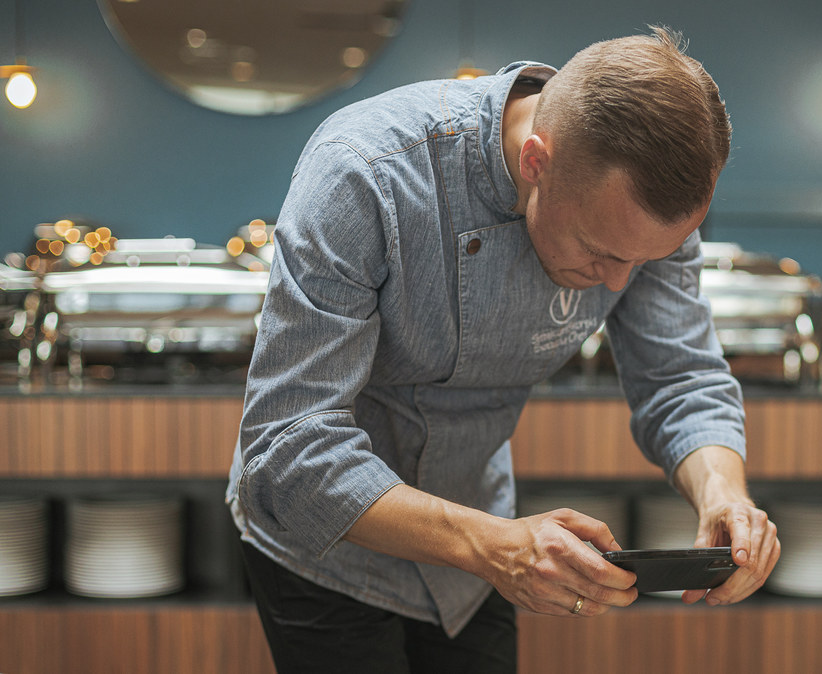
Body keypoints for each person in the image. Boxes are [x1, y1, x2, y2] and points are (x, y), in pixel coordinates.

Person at [226, 27, 780, 673]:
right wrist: (495, 547)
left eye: (645, 258)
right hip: (328, 549)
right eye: (599, 251)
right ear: (536, 162)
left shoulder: (639, 215)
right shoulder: (365, 172)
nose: (618, 281)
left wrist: (724, 496)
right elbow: (290, 444)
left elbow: (679, 376)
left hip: (481, 535)